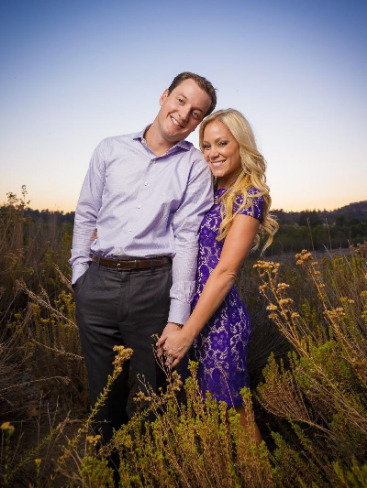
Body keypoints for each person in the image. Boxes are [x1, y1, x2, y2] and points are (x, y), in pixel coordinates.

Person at [69, 72, 217, 444]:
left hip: (153, 288)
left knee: (159, 400)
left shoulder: (194, 166)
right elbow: (86, 212)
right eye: (181, 100)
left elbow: (187, 240)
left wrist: (178, 317)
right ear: (164, 96)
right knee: (103, 399)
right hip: (97, 285)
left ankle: (155, 472)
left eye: (196, 112)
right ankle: (107, 473)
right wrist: (79, 275)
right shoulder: (110, 149)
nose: (184, 114)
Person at [157, 108, 278, 440]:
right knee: (207, 421)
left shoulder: (248, 196)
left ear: (241, 145)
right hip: (184, 314)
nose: (213, 153)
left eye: (222, 143)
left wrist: (187, 333)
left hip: (219, 323)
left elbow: (225, 272)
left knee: (236, 417)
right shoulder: (201, 190)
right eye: (206, 145)